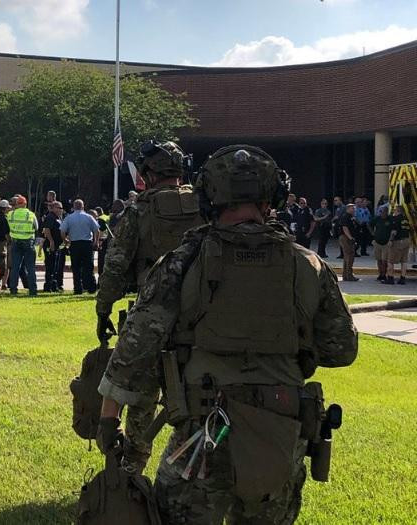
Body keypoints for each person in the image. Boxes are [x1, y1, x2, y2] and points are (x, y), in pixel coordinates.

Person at [97, 145, 358, 524]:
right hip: (279, 433)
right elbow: (342, 349)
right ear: (274, 197)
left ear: (208, 196)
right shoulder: (307, 264)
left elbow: (135, 350)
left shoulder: (182, 262)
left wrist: (109, 421)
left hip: (202, 436)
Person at [94, 140, 204, 472]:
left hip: (151, 314)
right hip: (202, 317)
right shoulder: (206, 206)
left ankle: (132, 470)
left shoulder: (139, 211)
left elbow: (115, 267)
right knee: (199, 396)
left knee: (141, 396)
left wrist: (103, 309)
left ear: (147, 173)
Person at [59, 199, 100, 294]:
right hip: (86, 244)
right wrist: (96, 241)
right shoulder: (88, 217)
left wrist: (65, 240)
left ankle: (78, 288)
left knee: (76, 267)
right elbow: (96, 230)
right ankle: (91, 287)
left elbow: (62, 231)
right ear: (83, 206)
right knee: (88, 266)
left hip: (75, 244)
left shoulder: (69, 218)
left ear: (73, 206)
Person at [6, 194, 38, 296]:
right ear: (25, 204)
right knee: (30, 267)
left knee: (15, 267)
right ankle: (32, 290)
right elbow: (36, 227)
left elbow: (8, 226)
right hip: (28, 242)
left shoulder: (11, 214)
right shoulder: (31, 214)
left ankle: (13, 289)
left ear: (17, 204)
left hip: (15, 242)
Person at [41, 201, 65, 292]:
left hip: (58, 245)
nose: (61, 210)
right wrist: (51, 242)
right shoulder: (50, 217)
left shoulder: (58, 217)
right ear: (54, 208)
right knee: (50, 266)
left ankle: (54, 286)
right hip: (51, 245)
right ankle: (48, 286)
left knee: (55, 266)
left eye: (61, 208)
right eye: (59, 208)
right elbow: (47, 230)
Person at [388, 205, 411, 285]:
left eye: (395, 210)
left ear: (398, 211)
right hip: (407, 240)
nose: (394, 211)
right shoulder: (406, 219)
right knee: (404, 261)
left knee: (390, 261)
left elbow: (394, 231)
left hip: (398, 241)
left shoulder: (396, 219)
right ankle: (402, 278)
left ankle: (390, 278)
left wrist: (390, 240)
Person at [336, 203, 358, 281]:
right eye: (352, 208)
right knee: (349, 256)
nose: (354, 210)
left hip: (348, 237)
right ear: (348, 209)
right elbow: (345, 228)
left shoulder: (351, 217)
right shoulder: (345, 216)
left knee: (347, 256)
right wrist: (350, 238)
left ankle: (346, 275)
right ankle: (349, 275)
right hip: (346, 238)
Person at [371, 205, 393, 283]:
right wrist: (372, 233)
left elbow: (394, 230)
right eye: (381, 212)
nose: (382, 213)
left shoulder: (390, 219)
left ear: (387, 212)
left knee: (384, 261)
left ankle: (384, 274)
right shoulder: (377, 219)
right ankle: (380, 274)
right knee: (379, 260)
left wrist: (391, 240)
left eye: (384, 212)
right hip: (377, 242)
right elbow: (369, 224)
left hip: (386, 243)